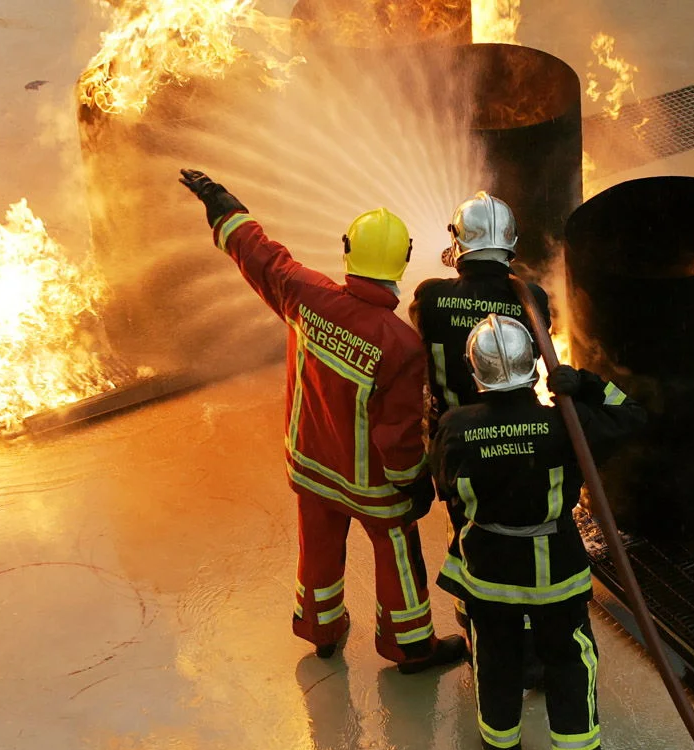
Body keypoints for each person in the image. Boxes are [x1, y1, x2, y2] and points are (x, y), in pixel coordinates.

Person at [179, 167, 467, 673]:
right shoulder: (399, 344)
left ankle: (321, 631)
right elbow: (397, 436)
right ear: (401, 261)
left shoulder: (306, 294)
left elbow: (260, 256)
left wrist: (221, 205)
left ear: (347, 249)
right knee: (397, 552)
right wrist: (415, 484)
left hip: (310, 465)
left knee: (318, 550)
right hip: (373, 488)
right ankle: (410, 647)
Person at [432, 314, 645, 750]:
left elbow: (444, 487)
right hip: (555, 569)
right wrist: (586, 385)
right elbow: (632, 416)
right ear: (534, 368)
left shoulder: (455, 427)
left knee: (495, 657)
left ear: (475, 373)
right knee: (571, 660)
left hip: (485, 567)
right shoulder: (563, 423)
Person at [410, 191, 552, 686]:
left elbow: (428, 327)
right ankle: (533, 642)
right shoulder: (530, 298)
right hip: (522, 437)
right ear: (510, 246)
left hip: (457, 444)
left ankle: (479, 626)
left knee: (469, 536)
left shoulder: (430, 297)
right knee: (525, 532)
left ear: (457, 244)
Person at [409, 191, 551, 438]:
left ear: (457, 239)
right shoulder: (532, 298)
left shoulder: (430, 296)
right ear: (511, 238)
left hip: (453, 435)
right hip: (521, 432)